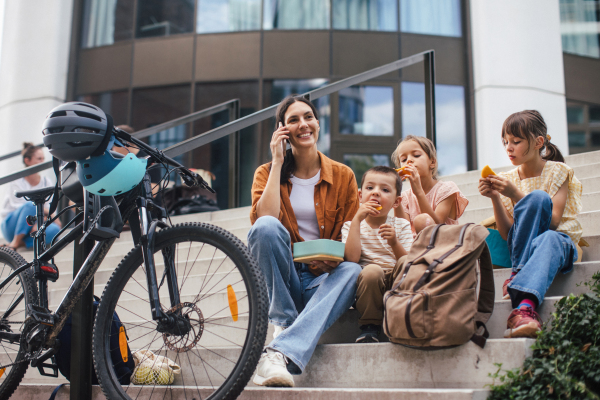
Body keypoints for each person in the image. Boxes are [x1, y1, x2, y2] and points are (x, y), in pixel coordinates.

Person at [248, 95, 361, 387]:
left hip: (319, 281)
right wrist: (276, 161)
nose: (303, 124)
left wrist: (333, 259)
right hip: (283, 281)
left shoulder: (343, 175)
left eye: (308, 116)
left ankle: (280, 349)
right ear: (282, 130)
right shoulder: (265, 172)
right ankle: (284, 324)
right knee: (266, 228)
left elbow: (351, 236)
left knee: (353, 271)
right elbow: (264, 221)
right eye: (294, 120)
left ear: (318, 123)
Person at [478, 110, 581, 338]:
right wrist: (496, 196)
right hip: (521, 247)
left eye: (516, 141)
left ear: (538, 142)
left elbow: (553, 221)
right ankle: (524, 309)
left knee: (539, 201)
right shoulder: (508, 178)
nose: (509, 147)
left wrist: (515, 193)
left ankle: (519, 285)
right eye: (505, 142)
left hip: (556, 241)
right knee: (535, 199)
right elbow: (507, 233)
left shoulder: (558, 171)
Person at [341, 166, 413, 343]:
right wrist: (357, 219)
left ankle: (404, 316)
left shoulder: (401, 224)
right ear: (360, 196)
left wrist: (394, 242)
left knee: (406, 261)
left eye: (385, 190)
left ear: (396, 202)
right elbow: (351, 259)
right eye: (370, 188)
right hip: (368, 285)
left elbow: (409, 262)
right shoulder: (351, 226)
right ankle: (369, 327)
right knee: (372, 271)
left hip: (395, 280)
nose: (376, 193)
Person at [392, 135, 468, 234]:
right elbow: (402, 231)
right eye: (403, 159)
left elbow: (436, 226)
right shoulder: (404, 197)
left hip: (443, 244)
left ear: (432, 162)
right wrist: (395, 192)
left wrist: (418, 192)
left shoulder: (446, 189)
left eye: (416, 155)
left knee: (422, 219)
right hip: (415, 247)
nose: (409, 161)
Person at [1, 143, 60, 250]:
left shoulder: (47, 181)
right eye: (39, 159)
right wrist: (39, 218)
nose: (42, 162)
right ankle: (15, 242)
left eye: (43, 158)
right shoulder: (17, 179)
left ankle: (21, 244)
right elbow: (19, 206)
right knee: (32, 204)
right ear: (27, 161)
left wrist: (39, 222)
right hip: (11, 226)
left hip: (33, 224)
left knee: (55, 229)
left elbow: (50, 208)